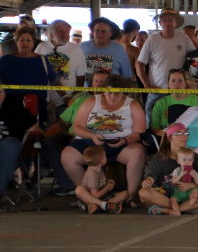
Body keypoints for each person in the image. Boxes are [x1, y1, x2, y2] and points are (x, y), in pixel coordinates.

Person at [61, 75, 148, 206]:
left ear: (123, 93)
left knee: (138, 152)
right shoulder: (91, 101)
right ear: (104, 91)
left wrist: (124, 140)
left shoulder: (132, 105)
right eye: (109, 93)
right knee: (67, 155)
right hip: (91, 141)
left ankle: (131, 196)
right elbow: (78, 126)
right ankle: (88, 195)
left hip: (119, 142)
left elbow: (140, 132)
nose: (113, 97)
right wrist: (91, 136)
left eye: (117, 94)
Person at [138, 122, 198, 214]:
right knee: (143, 193)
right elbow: (150, 178)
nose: (183, 136)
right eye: (178, 133)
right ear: (169, 138)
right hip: (166, 196)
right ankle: (188, 209)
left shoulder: (194, 156)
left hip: (189, 196)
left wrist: (191, 185)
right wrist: (147, 182)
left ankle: (171, 210)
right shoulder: (158, 158)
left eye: (185, 133)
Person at [136, 9, 196, 120]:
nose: (167, 23)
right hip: (157, 90)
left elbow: (194, 59)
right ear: (160, 23)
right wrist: (147, 85)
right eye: (164, 20)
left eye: (170, 20)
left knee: (180, 121)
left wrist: (189, 82)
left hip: (179, 90)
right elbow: (139, 63)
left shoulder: (184, 38)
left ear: (175, 23)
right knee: (152, 121)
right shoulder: (152, 39)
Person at [0, 25, 57, 124]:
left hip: (39, 106)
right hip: (12, 107)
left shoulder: (42, 60)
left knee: (36, 136)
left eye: (28, 40)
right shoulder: (6, 60)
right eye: (22, 40)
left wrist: (67, 97)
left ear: (33, 43)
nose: (25, 43)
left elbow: (54, 80)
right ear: (16, 42)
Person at [0, 86, 40, 202]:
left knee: (10, 144)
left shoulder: (15, 109)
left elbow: (35, 129)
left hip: (9, 150)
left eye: (1, 92)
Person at [35, 19, 86, 108]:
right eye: (60, 31)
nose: (64, 34)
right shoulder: (41, 47)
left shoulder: (76, 49)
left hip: (69, 100)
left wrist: (75, 95)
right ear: (51, 33)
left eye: (67, 31)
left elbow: (81, 75)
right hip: (46, 99)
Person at [80, 17, 133, 84]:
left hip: (111, 93)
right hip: (88, 92)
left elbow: (127, 75)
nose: (99, 34)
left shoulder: (118, 49)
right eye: (97, 31)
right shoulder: (82, 47)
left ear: (110, 34)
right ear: (93, 32)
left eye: (103, 31)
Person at [73, 145, 123, 214]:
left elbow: (100, 183)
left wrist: (107, 182)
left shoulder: (99, 169)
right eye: (105, 155)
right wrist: (107, 188)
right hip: (91, 197)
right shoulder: (92, 174)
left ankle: (98, 206)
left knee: (125, 194)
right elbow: (95, 195)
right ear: (101, 160)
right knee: (79, 190)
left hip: (101, 196)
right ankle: (104, 205)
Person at [150, 69, 198, 135]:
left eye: (180, 81)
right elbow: (156, 129)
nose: (176, 84)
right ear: (168, 84)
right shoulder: (160, 104)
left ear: (185, 84)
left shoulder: (197, 101)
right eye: (173, 81)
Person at [168, 146, 198, 216]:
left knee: (195, 190)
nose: (187, 162)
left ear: (193, 161)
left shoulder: (193, 171)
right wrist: (180, 175)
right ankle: (177, 211)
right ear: (178, 161)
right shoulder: (177, 170)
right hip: (179, 191)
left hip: (190, 191)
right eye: (184, 160)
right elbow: (173, 181)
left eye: (190, 160)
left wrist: (194, 176)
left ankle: (192, 200)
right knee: (173, 200)